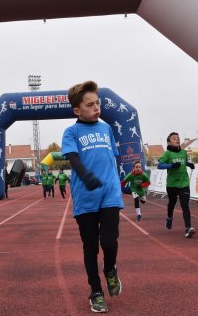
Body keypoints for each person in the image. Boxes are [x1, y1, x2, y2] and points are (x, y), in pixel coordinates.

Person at [61, 80, 123, 313]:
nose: (97, 107)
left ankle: (110, 269)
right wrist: (85, 176)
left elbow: (113, 157)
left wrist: (114, 180)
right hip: (86, 196)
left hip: (109, 192)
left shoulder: (106, 128)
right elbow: (73, 158)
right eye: (90, 105)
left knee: (109, 241)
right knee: (90, 247)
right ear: (77, 110)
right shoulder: (71, 132)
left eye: (97, 103)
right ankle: (95, 291)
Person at [158, 132, 196, 238]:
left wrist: (189, 164)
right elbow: (159, 165)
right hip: (172, 184)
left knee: (185, 205)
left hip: (184, 182)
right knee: (172, 203)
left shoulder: (184, 152)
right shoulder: (168, 153)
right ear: (169, 141)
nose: (177, 140)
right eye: (174, 138)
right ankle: (169, 218)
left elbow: (184, 162)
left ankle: (188, 228)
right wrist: (171, 165)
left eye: (178, 138)